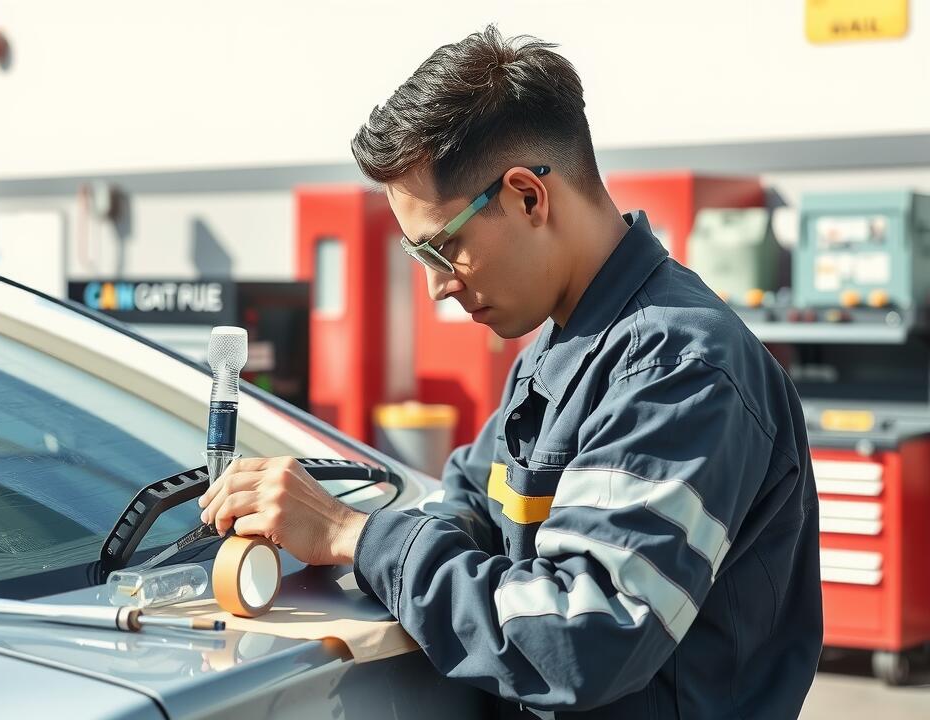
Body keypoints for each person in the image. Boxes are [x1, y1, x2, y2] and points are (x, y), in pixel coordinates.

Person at [198, 26, 822, 719]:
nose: (437, 287)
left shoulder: (678, 367)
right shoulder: (562, 353)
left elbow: (583, 638)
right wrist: (329, 528)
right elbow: (466, 506)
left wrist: (355, 535)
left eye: (443, 250)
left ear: (528, 196)